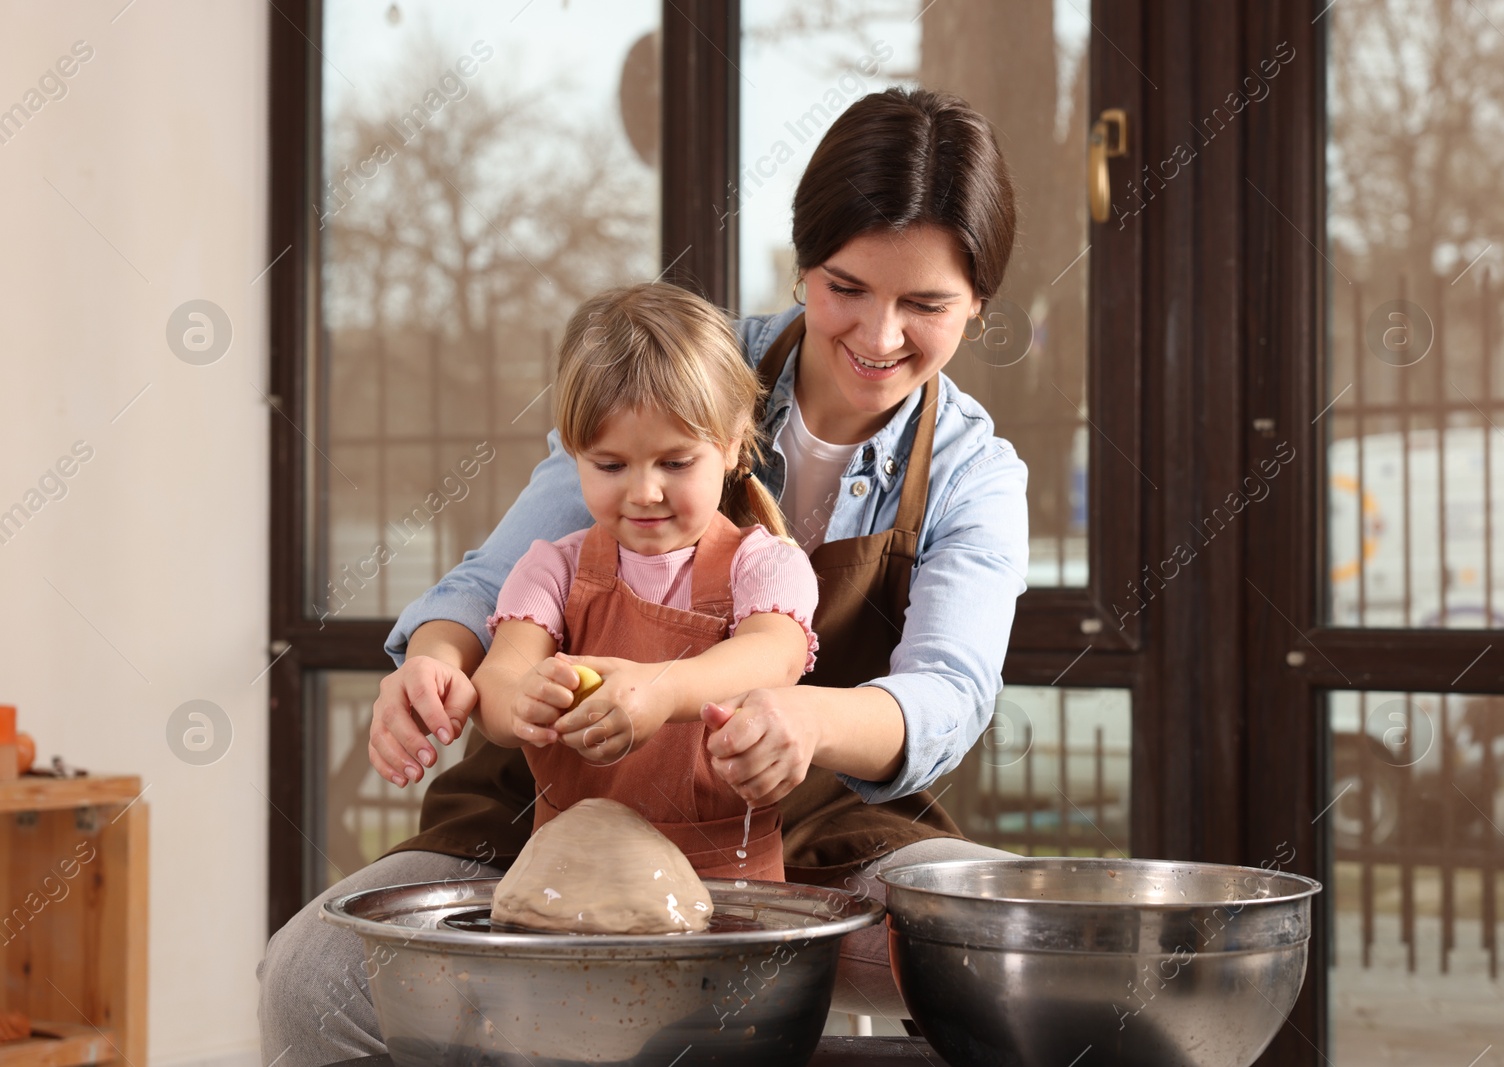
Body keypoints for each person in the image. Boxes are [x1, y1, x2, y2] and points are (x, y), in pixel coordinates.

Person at [258, 86, 1029, 1064]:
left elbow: (946, 695)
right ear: (801, 266)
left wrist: (797, 720)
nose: (878, 336)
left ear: (978, 305)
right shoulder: (683, 366)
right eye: (845, 287)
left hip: (817, 818)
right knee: (313, 978)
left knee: (1017, 949)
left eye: (924, 305)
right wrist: (437, 662)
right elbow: (493, 580)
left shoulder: (973, 472)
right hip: (553, 793)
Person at [473, 281, 818, 883]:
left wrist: (661, 691)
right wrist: (520, 702)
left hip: (729, 891)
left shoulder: (762, 564)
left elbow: (773, 655)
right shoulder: (551, 569)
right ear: (574, 454)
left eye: (675, 463)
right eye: (609, 465)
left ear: (734, 445)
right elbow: (498, 679)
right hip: (571, 885)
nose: (643, 492)